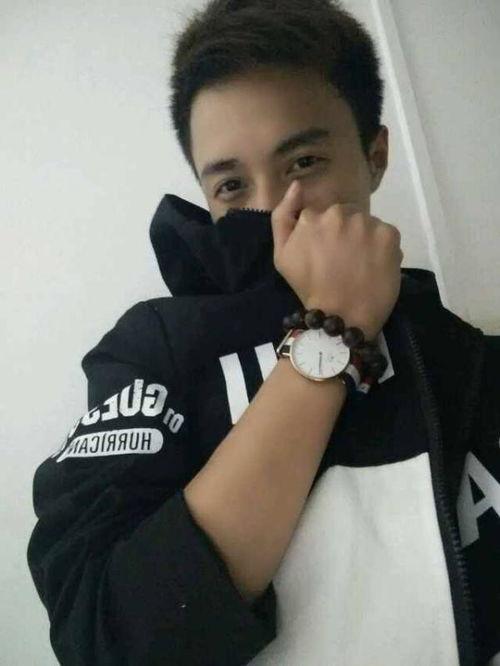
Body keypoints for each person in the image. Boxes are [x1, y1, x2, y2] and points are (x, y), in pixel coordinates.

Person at [27, 1, 500, 664]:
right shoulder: (155, 349)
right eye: (229, 185)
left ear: (375, 156)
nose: (274, 211)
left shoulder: (465, 355)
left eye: (303, 162)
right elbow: (109, 637)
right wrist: (334, 330)